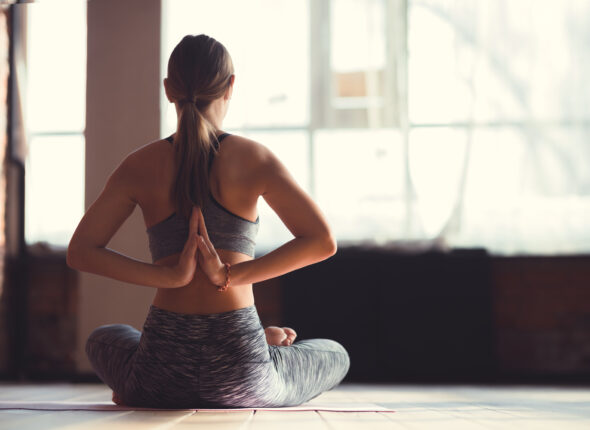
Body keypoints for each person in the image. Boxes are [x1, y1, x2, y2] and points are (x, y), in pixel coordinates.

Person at [67, 34, 350, 409]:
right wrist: (230, 276)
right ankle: (265, 345)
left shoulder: (138, 164)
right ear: (230, 86)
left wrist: (168, 277)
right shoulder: (254, 158)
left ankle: (140, 383)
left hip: (157, 377)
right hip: (245, 376)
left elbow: (80, 252)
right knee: (334, 353)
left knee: (103, 338)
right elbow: (321, 241)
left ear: (169, 90)